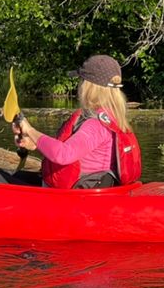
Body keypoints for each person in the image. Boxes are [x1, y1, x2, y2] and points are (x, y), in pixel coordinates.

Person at [13, 54, 135, 189]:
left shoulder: (96, 125)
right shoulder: (112, 117)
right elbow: (81, 154)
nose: (79, 86)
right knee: (15, 176)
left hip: (73, 197)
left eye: (81, 81)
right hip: (85, 188)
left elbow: (64, 154)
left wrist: (30, 130)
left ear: (89, 86)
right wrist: (36, 144)